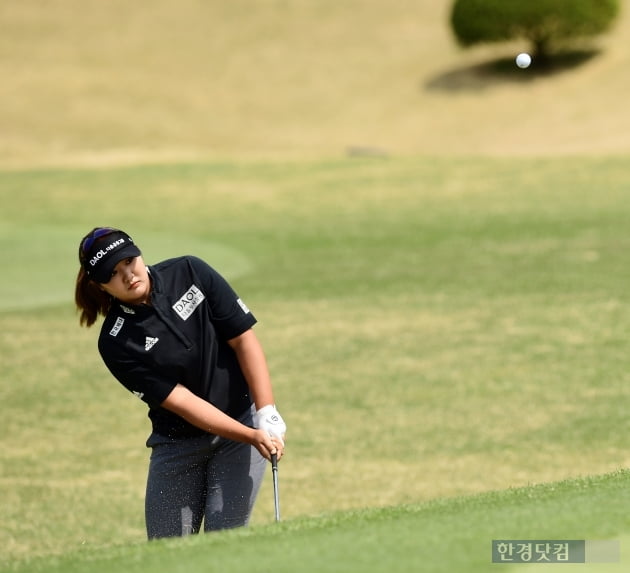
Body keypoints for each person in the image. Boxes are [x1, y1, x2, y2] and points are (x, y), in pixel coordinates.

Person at [74, 227, 286, 539]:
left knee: (225, 545)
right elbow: (183, 402)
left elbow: (243, 339)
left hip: (238, 430)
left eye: (129, 261)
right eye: (114, 273)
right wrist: (251, 435)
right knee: (166, 553)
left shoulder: (189, 272)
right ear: (100, 286)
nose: (128, 275)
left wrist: (265, 411)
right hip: (178, 447)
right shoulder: (117, 341)